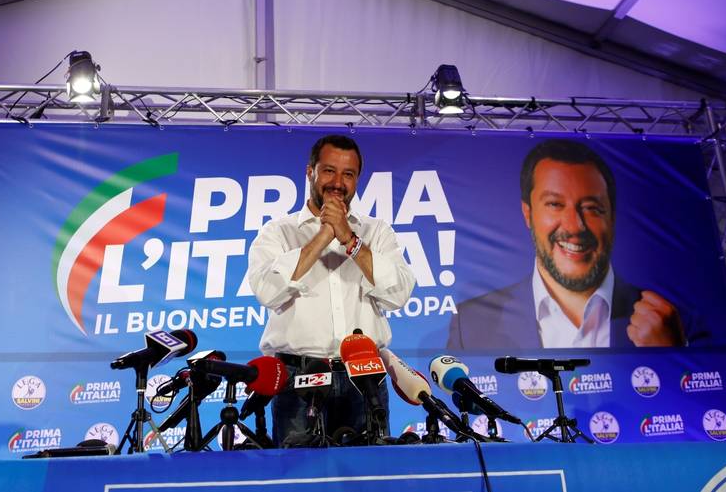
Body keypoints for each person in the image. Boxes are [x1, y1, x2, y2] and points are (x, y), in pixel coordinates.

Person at [448, 138, 702, 350]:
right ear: (528, 214)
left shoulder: (676, 324)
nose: (574, 226)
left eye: (591, 208)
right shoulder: (471, 326)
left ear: (612, 218)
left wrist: (670, 358)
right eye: (555, 205)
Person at [248, 134, 414, 446]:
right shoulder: (277, 232)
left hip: (364, 377)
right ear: (310, 172)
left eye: (348, 174)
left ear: (357, 180)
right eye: (329, 171)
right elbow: (268, 292)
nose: (338, 182)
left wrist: (350, 240)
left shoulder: (376, 232)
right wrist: (324, 235)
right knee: (302, 481)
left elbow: (399, 293)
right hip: (300, 380)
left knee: (371, 479)